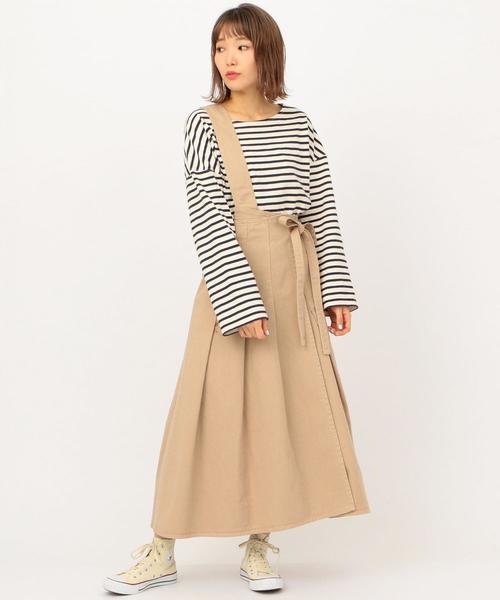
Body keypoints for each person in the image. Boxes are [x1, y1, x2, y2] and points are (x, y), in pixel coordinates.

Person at [103, 2, 370, 594]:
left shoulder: (299, 125)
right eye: (220, 46)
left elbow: (321, 210)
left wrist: (335, 290)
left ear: (266, 52)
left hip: (294, 284)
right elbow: (209, 215)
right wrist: (240, 301)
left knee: (281, 414)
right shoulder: (205, 124)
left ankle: (257, 545)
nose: (228, 57)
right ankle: (162, 548)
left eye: (241, 46)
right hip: (235, 282)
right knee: (202, 414)